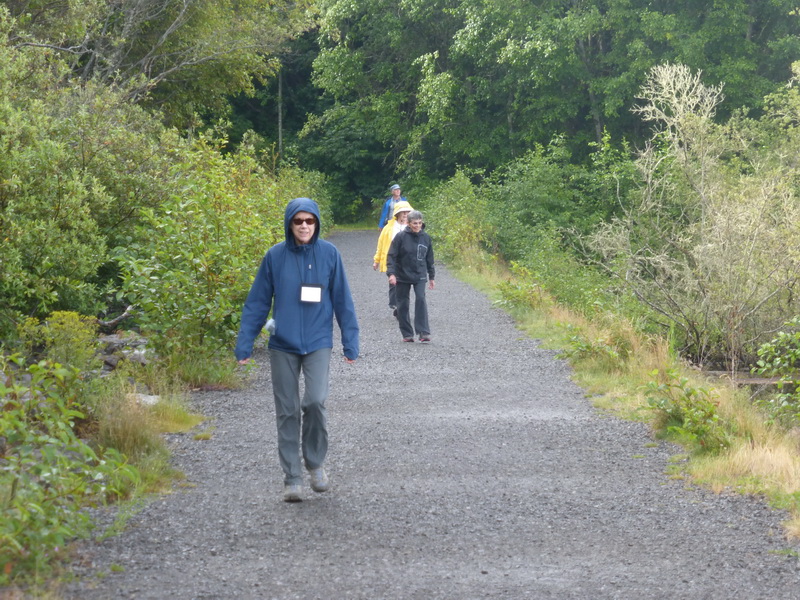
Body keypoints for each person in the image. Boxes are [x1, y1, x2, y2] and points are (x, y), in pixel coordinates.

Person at [234, 197, 359, 503]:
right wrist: (245, 342)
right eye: (298, 221)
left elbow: (343, 299)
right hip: (283, 343)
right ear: (290, 224)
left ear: (317, 223)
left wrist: (350, 340)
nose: (304, 226)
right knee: (287, 411)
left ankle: (315, 463)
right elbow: (258, 302)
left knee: (315, 401)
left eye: (310, 221)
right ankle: (292, 478)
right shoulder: (274, 256)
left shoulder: (330, 254)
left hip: (318, 341)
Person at [386, 209, 435, 343]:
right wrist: (391, 274)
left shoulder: (426, 238)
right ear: (408, 223)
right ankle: (407, 333)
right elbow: (391, 256)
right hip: (402, 274)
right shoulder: (400, 237)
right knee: (402, 303)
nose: (417, 226)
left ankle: (423, 332)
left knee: (420, 299)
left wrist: (432, 277)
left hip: (419, 274)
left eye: (419, 223)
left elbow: (429, 259)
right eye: (414, 223)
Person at [373, 200, 413, 314]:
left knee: (405, 284)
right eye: (403, 212)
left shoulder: (412, 227)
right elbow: (381, 244)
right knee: (393, 282)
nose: (405, 214)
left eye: (407, 212)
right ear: (397, 214)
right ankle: (395, 304)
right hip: (392, 258)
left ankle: (402, 305)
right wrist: (376, 260)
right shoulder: (388, 228)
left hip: (407, 260)